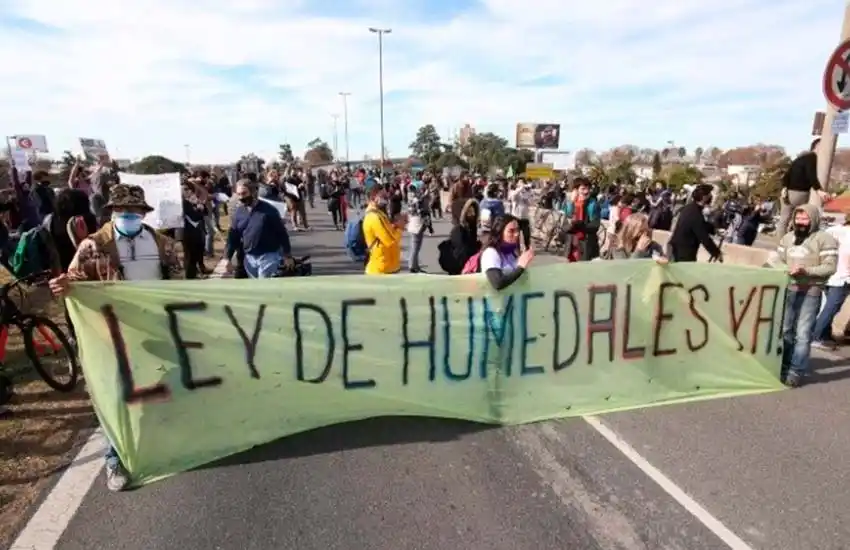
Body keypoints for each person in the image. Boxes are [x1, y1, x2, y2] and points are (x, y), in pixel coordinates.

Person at [48, 184, 183, 492]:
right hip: (111, 334)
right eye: (121, 212)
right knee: (117, 395)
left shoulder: (162, 244)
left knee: (161, 386)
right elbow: (73, 281)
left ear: (144, 213)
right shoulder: (93, 245)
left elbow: (180, 284)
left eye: (134, 211)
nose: (128, 216)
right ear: (110, 213)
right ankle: (115, 459)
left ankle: (155, 442)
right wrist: (62, 286)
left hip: (153, 328)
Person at [768, 204, 838, 387]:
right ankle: (783, 367)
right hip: (789, 290)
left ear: (813, 219)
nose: (801, 222)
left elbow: (830, 267)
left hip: (811, 291)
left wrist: (805, 271)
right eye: (798, 218)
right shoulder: (788, 238)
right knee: (785, 331)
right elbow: (778, 261)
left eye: (805, 218)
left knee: (803, 333)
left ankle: (795, 372)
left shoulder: (825, 239)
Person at [225, 179, 293, 279]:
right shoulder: (239, 212)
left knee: (264, 285)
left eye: (244, 193)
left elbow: (281, 233)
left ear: (253, 192)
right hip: (249, 258)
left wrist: (287, 255)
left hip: (268, 256)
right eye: (238, 194)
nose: (241, 197)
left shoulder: (269, 211)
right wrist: (228, 257)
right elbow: (233, 237)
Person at [811, 210, 850, 350]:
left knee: (827, 306)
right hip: (841, 278)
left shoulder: (833, 230)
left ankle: (825, 335)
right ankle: (816, 336)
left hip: (828, 275)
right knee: (831, 308)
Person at [667, 184, 722, 262]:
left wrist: (714, 230)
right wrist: (717, 253)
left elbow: (701, 224)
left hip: (677, 250)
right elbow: (704, 237)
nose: (712, 197)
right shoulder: (695, 214)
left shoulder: (690, 208)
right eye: (710, 195)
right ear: (704, 197)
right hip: (683, 255)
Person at [778, 139, 822, 236]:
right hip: (801, 193)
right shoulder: (813, 158)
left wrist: (784, 187)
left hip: (787, 192)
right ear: (817, 146)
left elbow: (786, 175)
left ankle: (781, 244)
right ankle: (795, 240)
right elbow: (811, 175)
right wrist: (819, 190)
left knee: (783, 220)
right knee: (801, 219)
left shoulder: (800, 159)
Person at [480, 214, 535, 290]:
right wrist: (521, 267)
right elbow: (498, 284)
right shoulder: (491, 253)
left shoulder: (512, 253)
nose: (516, 234)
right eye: (511, 231)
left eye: (517, 230)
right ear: (500, 232)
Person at [363, 186, 406, 275]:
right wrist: (400, 228)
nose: (386, 197)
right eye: (382, 195)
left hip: (388, 267)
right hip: (381, 269)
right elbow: (390, 241)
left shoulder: (379, 213)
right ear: (374, 198)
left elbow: (387, 230)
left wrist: (395, 225)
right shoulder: (374, 217)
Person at [561, 178, 601, 262]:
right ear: (575, 190)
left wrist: (581, 225)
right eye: (583, 189)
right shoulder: (570, 204)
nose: (586, 192)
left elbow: (595, 225)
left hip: (586, 244)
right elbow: (564, 227)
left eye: (588, 189)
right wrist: (572, 202)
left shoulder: (593, 204)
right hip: (571, 245)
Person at [444, 198, 480, 274]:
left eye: (474, 211)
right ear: (462, 214)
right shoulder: (458, 231)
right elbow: (461, 255)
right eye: (469, 212)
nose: (473, 214)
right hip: (461, 271)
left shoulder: (471, 228)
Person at [508, 180, 533, 249]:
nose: (522, 184)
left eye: (522, 183)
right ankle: (517, 249)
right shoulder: (514, 191)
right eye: (519, 182)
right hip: (516, 217)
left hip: (525, 217)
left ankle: (527, 247)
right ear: (517, 184)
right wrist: (520, 188)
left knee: (527, 234)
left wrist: (527, 198)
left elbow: (531, 203)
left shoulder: (526, 192)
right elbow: (512, 197)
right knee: (516, 235)